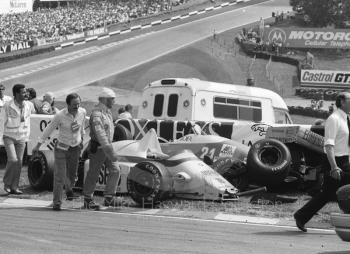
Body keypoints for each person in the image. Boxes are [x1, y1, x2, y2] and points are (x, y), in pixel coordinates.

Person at [294, 92, 350, 232]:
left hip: (344, 160)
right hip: (334, 162)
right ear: (342, 102)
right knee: (327, 194)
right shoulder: (334, 119)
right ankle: (300, 216)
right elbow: (329, 145)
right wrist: (334, 167)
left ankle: (301, 216)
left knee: (330, 194)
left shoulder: (346, 119)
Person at [32, 93, 86, 211]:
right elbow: (48, 130)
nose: (77, 107)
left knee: (72, 175)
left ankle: (69, 189)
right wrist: (38, 145)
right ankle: (57, 202)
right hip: (61, 148)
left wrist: (82, 139)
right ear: (67, 105)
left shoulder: (83, 112)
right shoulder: (60, 115)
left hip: (76, 148)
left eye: (78, 104)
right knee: (59, 175)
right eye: (74, 105)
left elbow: (82, 126)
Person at [83, 88, 121, 210]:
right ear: (104, 99)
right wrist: (109, 149)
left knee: (116, 170)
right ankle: (88, 199)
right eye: (112, 99)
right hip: (100, 148)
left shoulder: (107, 113)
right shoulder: (97, 114)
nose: (114, 102)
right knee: (93, 173)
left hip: (107, 147)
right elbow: (100, 134)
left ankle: (109, 197)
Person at [3, 84, 35, 194]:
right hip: (9, 136)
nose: (26, 94)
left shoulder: (29, 105)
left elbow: (32, 118)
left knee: (19, 162)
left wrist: (27, 135)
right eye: (23, 92)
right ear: (16, 94)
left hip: (22, 137)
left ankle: (14, 187)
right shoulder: (7, 105)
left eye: (26, 92)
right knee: (13, 160)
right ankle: (7, 184)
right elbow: (1, 121)